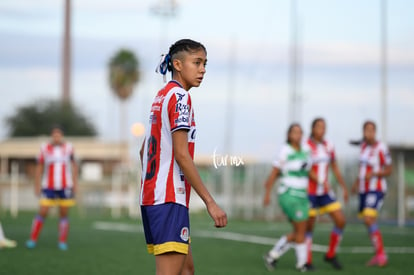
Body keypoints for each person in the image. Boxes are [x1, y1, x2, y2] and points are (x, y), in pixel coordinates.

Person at [139, 39, 227, 275]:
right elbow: (182, 155)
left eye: (205, 63)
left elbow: (143, 151)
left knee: (187, 271)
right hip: (168, 199)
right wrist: (210, 202)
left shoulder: (161, 96)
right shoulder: (180, 98)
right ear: (177, 64)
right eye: (197, 63)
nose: (203, 70)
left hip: (153, 196)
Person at [263, 123, 311, 272]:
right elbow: (274, 172)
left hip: (302, 194)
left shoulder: (306, 150)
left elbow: (308, 171)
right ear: (289, 135)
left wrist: (322, 182)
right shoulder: (285, 150)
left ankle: (273, 255)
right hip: (289, 193)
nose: (297, 135)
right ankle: (302, 264)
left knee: (300, 231)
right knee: (301, 229)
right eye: (294, 132)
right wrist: (267, 193)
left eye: (300, 132)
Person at [304, 118, 348, 270]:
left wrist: (344, 187)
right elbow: (306, 169)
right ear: (313, 128)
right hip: (309, 192)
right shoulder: (306, 146)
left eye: (324, 127)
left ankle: (330, 254)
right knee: (309, 226)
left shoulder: (329, 145)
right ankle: (307, 261)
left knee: (341, 220)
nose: (321, 130)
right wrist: (320, 180)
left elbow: (334, 166)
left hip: (325, 192)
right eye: (318, 127)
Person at [26, 125, 78, 251]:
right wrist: (37, 184)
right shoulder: (45, 148)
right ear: (51, 136)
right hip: (48, 186)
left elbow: (74, 166)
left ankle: (62, 241)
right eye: (54, 135)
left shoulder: (69, 148)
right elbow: (39, 167)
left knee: (64, 213)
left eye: (58, 135)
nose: (56, 137)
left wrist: (75, 184)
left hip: (65, 186)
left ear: (62, 136)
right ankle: (33, 239)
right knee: (43, 211)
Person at [351, 121, 392, 267]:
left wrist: (375, 173)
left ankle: (382, 256)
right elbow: (361, 169)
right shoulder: (362, 147)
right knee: (368, 222)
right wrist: (356, 184)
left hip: (376, 188)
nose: (368, 133)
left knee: (368, 219)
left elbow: (389, 170)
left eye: (371, 130)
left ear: (375, 132)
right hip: (363, 190)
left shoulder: (381, 148)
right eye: (366, 130)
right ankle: (379, 254)